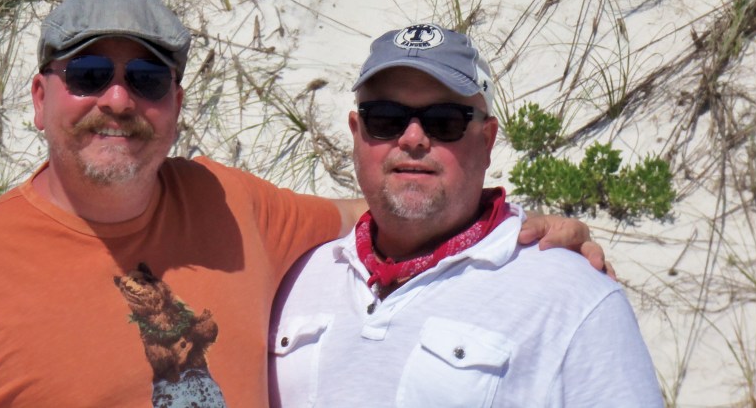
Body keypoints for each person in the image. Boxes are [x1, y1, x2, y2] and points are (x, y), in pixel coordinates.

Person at [0, 0, 608, 408]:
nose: (116, 99)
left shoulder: (230, 203)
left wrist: (517, 230)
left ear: (175, 104)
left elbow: (388, 209)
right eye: (89, 74)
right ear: (40, 98)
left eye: (146, 80)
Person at [269, 23, 663, 407]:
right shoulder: (291, 273)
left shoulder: (575, 297)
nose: (412, 138)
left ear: (487, 140)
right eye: (386, 118)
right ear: (357, 132)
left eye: (445, 122)